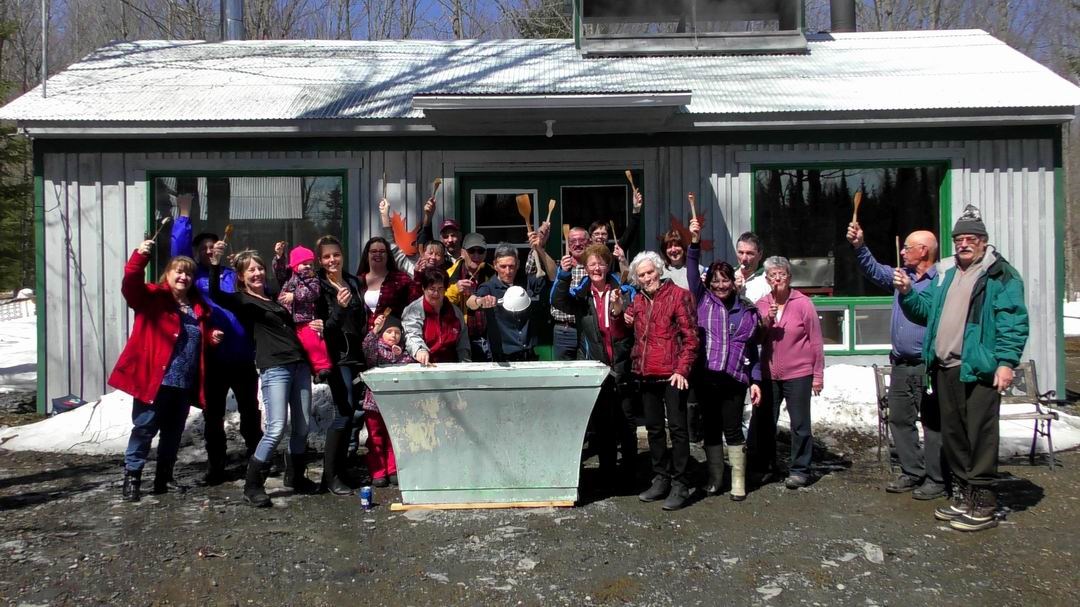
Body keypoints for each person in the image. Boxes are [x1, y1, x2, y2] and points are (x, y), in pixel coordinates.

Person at [895, 205, 1028, 532]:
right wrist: (908, 292)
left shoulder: (1000, 275)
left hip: (980, 368)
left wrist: (1007, 362)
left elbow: (1013, 320)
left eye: (971, 238)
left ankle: (983, 502)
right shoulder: (948, 274)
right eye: (959, 239)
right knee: (954, 435)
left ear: (984, 241)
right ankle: (965, 495)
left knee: (979, 435)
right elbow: (927, 312)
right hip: (945, 368)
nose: (964, 244)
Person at [109, 241, 222, 501]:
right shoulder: (151, 298)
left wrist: (211, 336)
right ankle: (133, 477)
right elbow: (130, 284)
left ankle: (164, 478)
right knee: (144, 428)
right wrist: (140, 257)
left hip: (183, 382)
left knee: (173, 432)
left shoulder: (197, 307)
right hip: (155, 380)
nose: (184, 277)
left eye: (189, 273)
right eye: (179, 272)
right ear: (168, 275)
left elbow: (196, 336)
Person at [209, 244, 319, 507]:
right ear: (241, 277)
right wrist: (215, 263)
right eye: (251, 270)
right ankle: (253, 485)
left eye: (259, 268)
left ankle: (295, 476)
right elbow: (215, 294)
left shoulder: (272, 298)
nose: (257, 273)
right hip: (275, 367)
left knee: (302, 427)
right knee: (276, 428)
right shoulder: (242, 300)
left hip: (299, 364)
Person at [847, 221, 946, 500]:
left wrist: (908, 292)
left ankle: (937, 478)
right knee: (900, 419)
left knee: (933, 423)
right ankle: (912, 471)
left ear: (924, 250)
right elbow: (874, 270)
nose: (902, 252)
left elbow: (930, 314)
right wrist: (859, 245)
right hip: (901, 363)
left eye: (908, 248)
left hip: (928, 365)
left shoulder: (940, 282)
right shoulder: (903, 275)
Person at [170, 193, 261, 484]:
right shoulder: (194, 280)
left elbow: (256, 278)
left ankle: (256, 459)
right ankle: (217, 464)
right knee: (213, 416)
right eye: (204, 248)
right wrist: (184, 214)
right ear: (197, 254)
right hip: (212, 360)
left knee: (250, 412)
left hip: (243, 355)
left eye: (214, 247)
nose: (210, 251)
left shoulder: (230, 276)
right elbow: (178, 250)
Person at [552, 243, 637, 490]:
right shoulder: (581, 297)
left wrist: (623, 310)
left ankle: (631, 473)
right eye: (592, 264)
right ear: (586, 268)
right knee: (603, 423)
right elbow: (558, 300)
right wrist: (564, 275)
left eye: (601, 262)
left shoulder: (623, 290)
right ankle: (608, 474)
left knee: (627, 421)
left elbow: (633, 316)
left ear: (607, 264)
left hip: (623, 364)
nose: (597, 268)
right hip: (597, 366)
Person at [687, 219, 762, 501]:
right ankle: (715, 476)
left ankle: (738, 480)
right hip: (707, 375)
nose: (720, 285)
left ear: (734, 282)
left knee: (732, 427)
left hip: (734, 379)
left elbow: (752, 349)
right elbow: (693, 271)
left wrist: (756, 380)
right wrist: (694, 242)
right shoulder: (702, 301)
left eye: (725, 280)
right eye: (715, 280)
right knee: (710, 428)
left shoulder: (747, 310)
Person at [624, 251, 699, 511]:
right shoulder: (638, 300)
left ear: (659, 270)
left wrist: (682, 369)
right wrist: (624, 314)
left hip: (672, 374)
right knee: (655, 429)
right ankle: (660, 478)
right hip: (646, 373)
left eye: (650, 272)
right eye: (642, 275)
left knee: (678, 429)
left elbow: (691, 337)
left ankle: (681, 482)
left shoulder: (679, 296)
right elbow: (630, 322)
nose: (647, 278)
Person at [749, 256, 825, 490]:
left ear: (790, 277)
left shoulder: (803, 303)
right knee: (765, 423)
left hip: (798, 373)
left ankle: (800, 469)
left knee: (800, 424)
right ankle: (767, 467)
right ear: (767, 279)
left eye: (782, 274)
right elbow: (756, 339)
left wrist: (818, 375)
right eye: (773, 275)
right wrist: (767, 320)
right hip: (769, 373)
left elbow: (816, 341)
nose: (778, 278)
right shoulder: (762, 304)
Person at [313, 235, 369, 496]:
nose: (332, 260)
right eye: (326, 256)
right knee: (343, 412)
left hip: (356, 355)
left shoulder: (354, 281)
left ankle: (341, 469)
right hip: (336, 356)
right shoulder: (318, 285)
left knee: (351, 414)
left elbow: (360, 319)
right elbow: (326, 329)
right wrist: (339, 306)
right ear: (320, 260)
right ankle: (331, 475)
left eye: (336, 254)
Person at [468, 236, 556, 362]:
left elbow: (554, 276)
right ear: (495, 265)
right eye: (503, 266)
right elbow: (470, 302)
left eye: (511, 266)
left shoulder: (526, 282)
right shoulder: (489, 287)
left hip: (529, 357)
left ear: (518, 264)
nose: (508, 271)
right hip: (502, 359)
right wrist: (480, 301)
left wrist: (540, 249)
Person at [361, 314, 412, 488]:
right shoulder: (376, 350)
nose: (393, 336)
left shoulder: (403, 352)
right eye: (389, 331)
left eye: (397, 332)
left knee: (393, 436)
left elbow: (410, 364)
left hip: (395, 403)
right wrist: (375, 329)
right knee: (375, 437)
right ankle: (378, 472)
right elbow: (367, 346)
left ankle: (392, 470)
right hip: (373, 404)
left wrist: (399, 356)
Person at [278, 245, 333, 383]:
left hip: (305, 318)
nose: (308, 267)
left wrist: (294, 296)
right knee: (298, 347)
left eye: (310, 264)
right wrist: (279, 257)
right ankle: (311, 370)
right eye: (304, 264)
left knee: (313, 342)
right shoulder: (289, 277)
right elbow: (279, 272)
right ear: (295, 265)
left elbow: (313, 293)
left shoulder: (312, 279)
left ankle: (322, 368)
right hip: (288, 320)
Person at [403, 267, 472, 365]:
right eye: (432, 289)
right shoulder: (412, 310)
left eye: (440, 289)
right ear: (423, 288)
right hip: (424, 365)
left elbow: (463, 343)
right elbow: (411, 334)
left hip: (451, 367)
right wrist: (420, 350)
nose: (436, 293)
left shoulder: (456, 312)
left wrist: (465, 364)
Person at [445, 233, 496, 361]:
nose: (476, 255)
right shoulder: (449, 275)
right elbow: (440, 302)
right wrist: (456, 289)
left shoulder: (493, 273)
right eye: (472, 251)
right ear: (462, 252)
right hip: (462, 338)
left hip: (489, 336)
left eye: (481, 251)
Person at [355, 236, 415, 331]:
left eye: (382, 251)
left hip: (390, 338)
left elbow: (414, 304)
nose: (378, 254)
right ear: (367, 255)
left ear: (388, 255)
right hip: (364, 338)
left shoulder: (401, 279)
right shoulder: (357, 281)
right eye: (374, 251)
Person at [550, 226, 591, 360]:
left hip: (587, 328)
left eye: (581, 240)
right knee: (563, 373)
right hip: (563, 330)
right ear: (568, 244)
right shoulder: (558, 266)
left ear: (589, 242)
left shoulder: (594, 267)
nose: (577, 244)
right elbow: (531, 268)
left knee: (586, 369)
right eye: (573, 241)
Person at [734, 232, 770, 304]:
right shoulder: (727, 276)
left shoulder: (767, 279)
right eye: (741, 253)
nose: (744, 258)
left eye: (749, 253)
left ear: (760, 255)